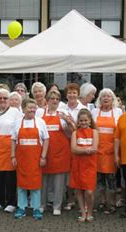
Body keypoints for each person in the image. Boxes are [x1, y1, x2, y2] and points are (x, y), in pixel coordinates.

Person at [36, 90, 74, 216]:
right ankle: (42, 204)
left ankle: (57, 206)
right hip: (44, 152)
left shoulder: (63, 114)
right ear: (47, 100)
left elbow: (71, 133)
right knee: (43, 181)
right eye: (52, 98)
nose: (55, 101)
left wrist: (68, 122)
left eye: (57, 99)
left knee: (59, 182)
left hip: (60, 153)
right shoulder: (40, 113)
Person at [11, 99, 50, 220]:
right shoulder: (17, 123)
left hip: (35, 160)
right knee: (21, 185)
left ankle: (36, 208)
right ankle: (21, 208)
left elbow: (46, 140)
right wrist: (13, 156)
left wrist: (43, 156)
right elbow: (13, 140)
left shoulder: (40, 122)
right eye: (29, 107)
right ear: (23, 109)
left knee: (35, 185)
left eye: (34, 108)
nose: (32, 110)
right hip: (21, 160)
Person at [91, 88, 122, 214]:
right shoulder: (94, 111)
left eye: (108, 96)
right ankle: (102, 202)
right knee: (99, 180)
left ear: (112, 99)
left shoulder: (118, 112)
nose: (106, 98)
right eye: (103, 96)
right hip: (97, 151)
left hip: (111, 151)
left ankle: (112, 203)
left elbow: (120, 132)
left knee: (112, 180)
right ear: (100, 99)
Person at [70, 109, 99, 222]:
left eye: (85, 120)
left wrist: (80, 149)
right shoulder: (75, 133)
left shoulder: (94, 132)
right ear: (78, 122)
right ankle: (83, 213)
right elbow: (73, 149)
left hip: (90, 165)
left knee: (89, 191)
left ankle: (90, 211)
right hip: (78, 165)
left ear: (90, 121)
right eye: (81, 120)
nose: (83, 123)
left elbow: (95, 148)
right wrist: (87, 150)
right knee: (80, 190)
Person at [61, 83, 86, 211]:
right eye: (69, 93)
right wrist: (69, 123)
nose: (72, 95)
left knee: (80, 171)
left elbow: (83, 127)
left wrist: (69, 122)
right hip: (64, 144)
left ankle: (82, 199)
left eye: (74, 93)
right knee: (68, 173)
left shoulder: (83, 109)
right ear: (66, 95)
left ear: (78, 94)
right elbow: (62, 128)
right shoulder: (62, 108)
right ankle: (70, 199)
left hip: (79, 143)